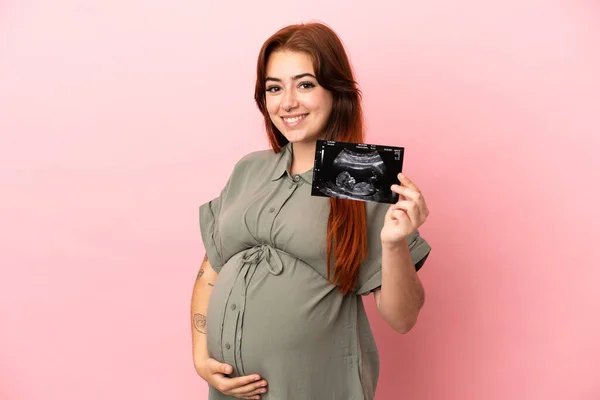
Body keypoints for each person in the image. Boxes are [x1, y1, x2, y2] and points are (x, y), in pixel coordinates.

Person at [190, 21, 432, 400]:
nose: (287, 102)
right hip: (231, 392)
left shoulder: (359, 175)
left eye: (305, 84)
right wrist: (201, 355)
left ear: (336, 92)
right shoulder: (250, 169)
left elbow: (403, 319)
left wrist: (395, 243)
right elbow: (211, 267)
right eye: (274, 87)